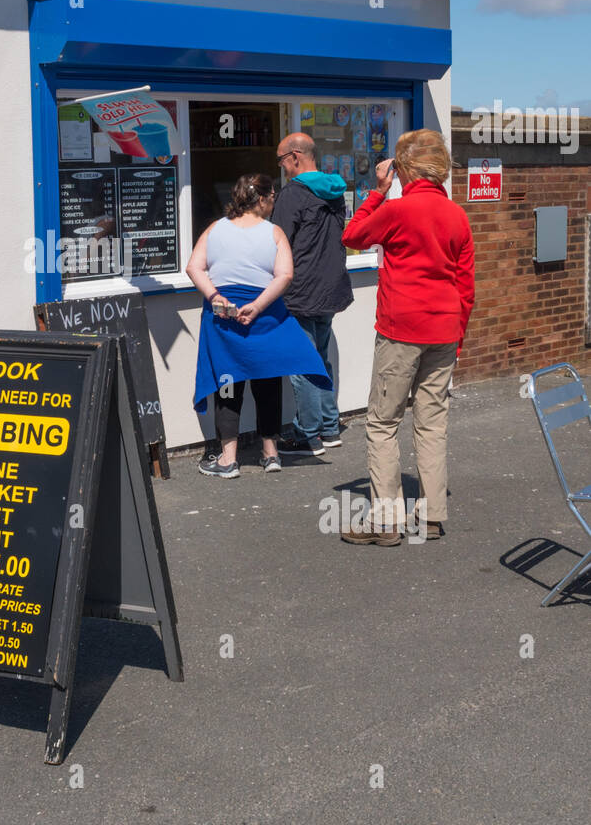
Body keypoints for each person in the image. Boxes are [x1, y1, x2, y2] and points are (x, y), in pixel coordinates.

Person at [341, 129, 475, 544]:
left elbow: (352, 238)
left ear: (403, 169)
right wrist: (458, 337)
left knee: (383, 422)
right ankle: (431, 516)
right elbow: (466, 285)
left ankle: (385, 521)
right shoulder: (457, 215)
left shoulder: (397, 209)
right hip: (444, 328)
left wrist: (379, 191)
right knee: (432, 423)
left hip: (402, 329)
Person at [187, 173, 334, 477]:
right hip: (264, 317)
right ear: (263, 199)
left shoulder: (215, 229)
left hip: (223, 319)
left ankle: (228, 460)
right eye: (272, 198)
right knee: (268, 382)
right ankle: (271, 454)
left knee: (227, 385)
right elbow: (284, 275)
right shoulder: (274, 232)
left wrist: (217, 297)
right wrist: (256, 306)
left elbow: (193, 267)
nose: (274, 203)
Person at [270, 133, 353, 459]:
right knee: (320, 356)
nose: (281, 167)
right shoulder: (335, 190)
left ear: (295, 156)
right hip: (331, 286)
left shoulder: (293, 194)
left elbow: (277, 243)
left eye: (280, 160)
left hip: (302, 290)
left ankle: (308, 435)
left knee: (302, 363)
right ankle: (330, 428)